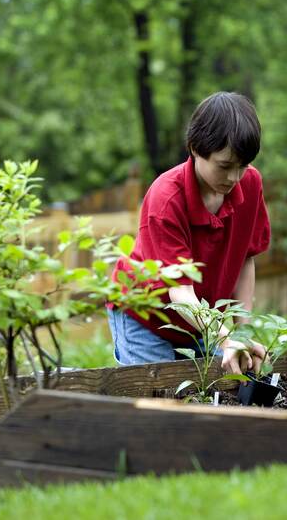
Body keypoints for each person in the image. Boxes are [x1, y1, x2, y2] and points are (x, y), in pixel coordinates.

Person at [107, 91, 270, 376]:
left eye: (242, 166)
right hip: (147, 317)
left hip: (199, 320)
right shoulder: (166, 198)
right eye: (224, 166)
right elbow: (179, 293)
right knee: (158, 399)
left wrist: (242, 335)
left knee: (219, 388)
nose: (234, 178)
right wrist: (225, 338)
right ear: (195, 149)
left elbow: (246, 258)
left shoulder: (251, 183)